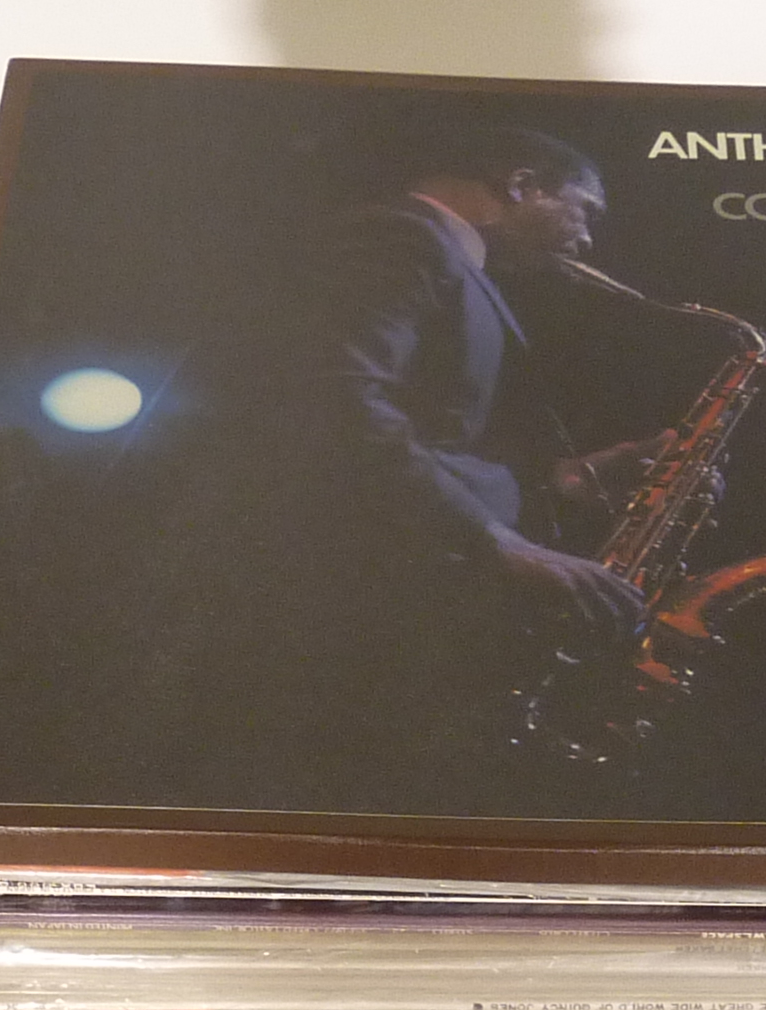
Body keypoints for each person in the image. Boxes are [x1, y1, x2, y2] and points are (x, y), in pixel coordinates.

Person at [268, 126, 674, 807]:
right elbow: (337, 404)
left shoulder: (442, 258)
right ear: (522, 184)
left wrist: (561, 480)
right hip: (365, 598)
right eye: (585, 211)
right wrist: (492, 538)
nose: (587, 240)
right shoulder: (401, 236)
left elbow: (431, 437)